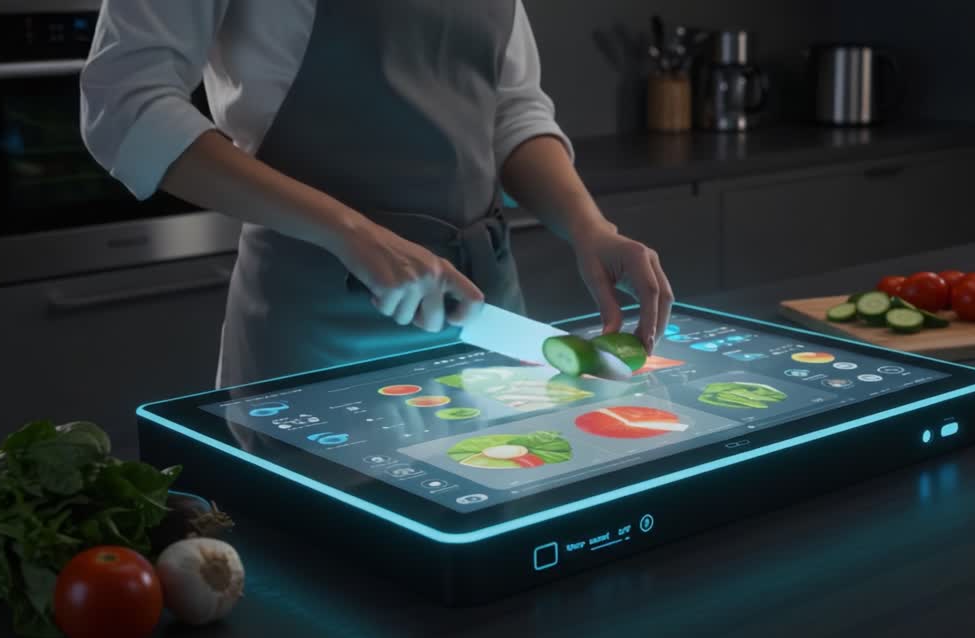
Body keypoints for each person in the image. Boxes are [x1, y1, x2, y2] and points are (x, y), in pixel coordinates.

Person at [81, 1, 673, 388]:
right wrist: (350, 232)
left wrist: (588, 226)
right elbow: (125, 106)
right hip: (314, 334)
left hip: (487, 319)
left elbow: (510, 110)